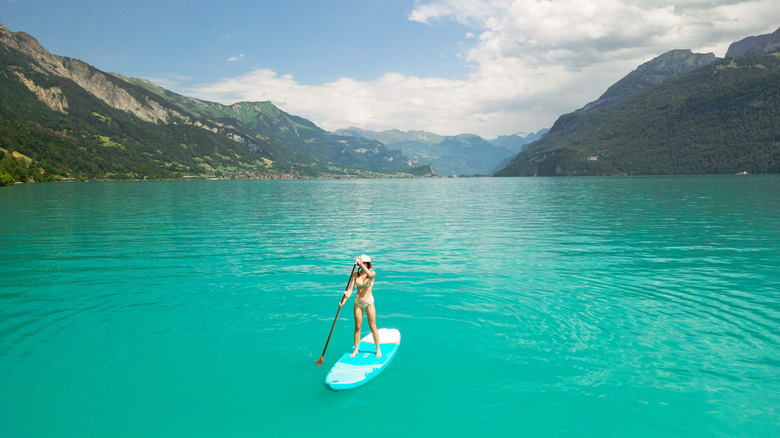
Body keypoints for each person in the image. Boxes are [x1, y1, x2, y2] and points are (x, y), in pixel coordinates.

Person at [339, 254, 381, 358]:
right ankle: (356, 349)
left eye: (366, 263)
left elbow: (370, 275)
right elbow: (350, 290)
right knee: (357, 326)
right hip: (358, 301)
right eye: (363, 262)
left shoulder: (372, 273)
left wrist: (361, 263)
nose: (364, 264)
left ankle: (377, 349)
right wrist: (343, 301)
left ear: (368, 264)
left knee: (373, 326)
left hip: (369, 302)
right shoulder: (355, 275)